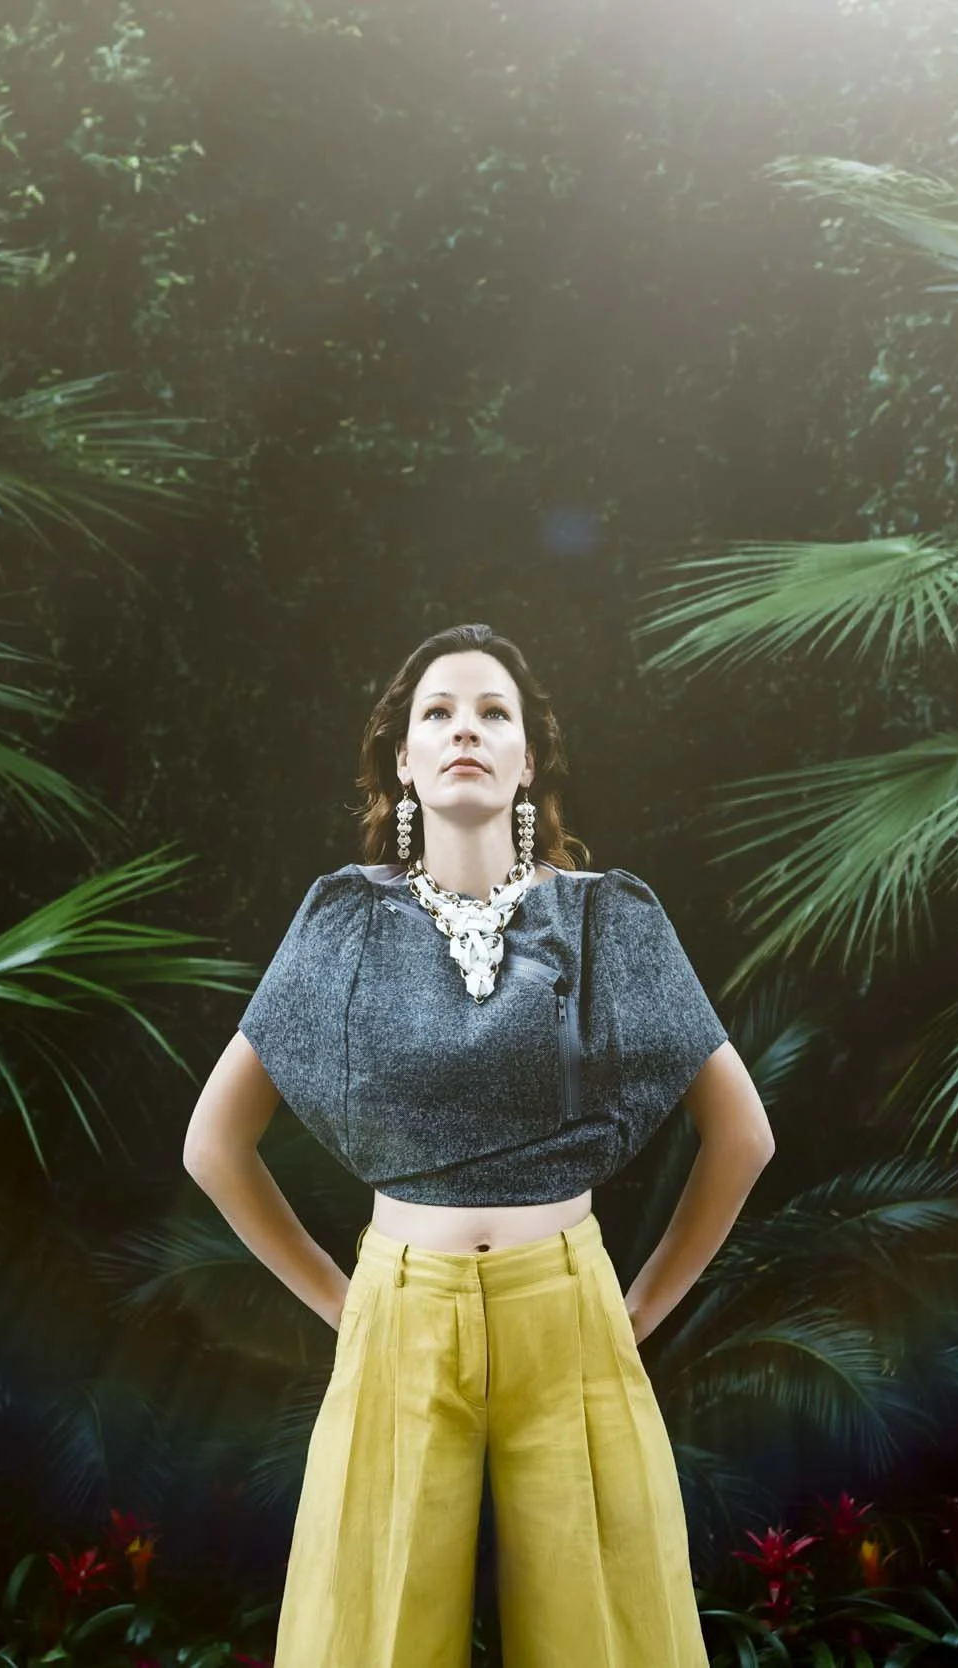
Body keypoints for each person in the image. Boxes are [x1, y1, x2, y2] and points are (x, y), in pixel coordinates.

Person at [181, 622, 777, 1668]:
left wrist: (630, 1313)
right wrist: (345, 1301)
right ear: (403, 761)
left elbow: (741, 1135)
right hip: (400, 1313)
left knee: (613, 1642)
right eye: (438, 714)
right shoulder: (342, 924)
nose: (467, 730)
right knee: (363, 1642)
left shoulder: (611, 919)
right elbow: (213, 1144)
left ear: (527, 760)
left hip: (571, 1314)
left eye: (493, 713)